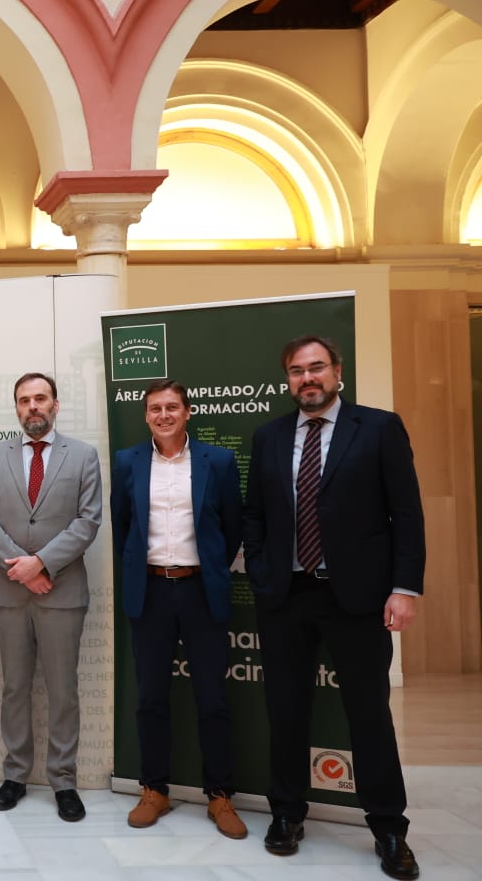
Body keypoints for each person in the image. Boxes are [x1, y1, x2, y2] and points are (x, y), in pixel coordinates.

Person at [244, 335, 424, 880]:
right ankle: (286, 814)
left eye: (316, 367)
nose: (307, 378)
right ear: (288, 380)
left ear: (337, 371)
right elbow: (255, 514)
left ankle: (388, 826)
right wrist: (262, 570)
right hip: (286, 596)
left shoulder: (379, 428)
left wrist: (404, 588)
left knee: (369, 715)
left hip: (358, 598)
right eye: (296, 370)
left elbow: (406, 513)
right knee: (285, 711)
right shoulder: (270, 436)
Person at [110, 379, 246, 839]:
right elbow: (123, 527)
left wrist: (206, 566)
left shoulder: (218, 461)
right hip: (149, 591)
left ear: (188, 412)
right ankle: (154, 789)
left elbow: (231, 527)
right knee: (150, 697)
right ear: (145, 415)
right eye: (155, 408)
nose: (163, 415)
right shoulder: (128, 462)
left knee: (212, 697)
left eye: (172, 407)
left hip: (201, 590)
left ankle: (220, 795)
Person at [0, 372, 102, 822]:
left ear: (55, 405)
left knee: (63, 690)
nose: (33, 406)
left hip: (61, 592)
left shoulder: (83, 456)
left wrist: (43, 564)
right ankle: (15, 775)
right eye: (24, 400)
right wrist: (24, 570)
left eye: (40, 398)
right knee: (15, 688)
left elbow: (87, 521)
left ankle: (63, 781)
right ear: (16, 408)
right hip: (10, 592)